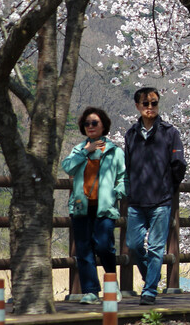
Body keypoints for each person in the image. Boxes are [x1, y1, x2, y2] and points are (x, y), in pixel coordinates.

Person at [124, 87, 186, 305]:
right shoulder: (131, 134)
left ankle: (149, 290)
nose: (150, 107)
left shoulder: (170, 133)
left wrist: (169, 186)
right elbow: (128, 165)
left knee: (157, 247)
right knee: (133, 244)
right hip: (136, 200)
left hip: (161, 200)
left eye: (154, 103)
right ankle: (152, 275)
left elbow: (179, 165)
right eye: (145, 103)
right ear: (137, 106)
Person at [62, 106, 126, 304]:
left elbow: (123, 177)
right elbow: (67, 167)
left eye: (94, 123)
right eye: (87, 123)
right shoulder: (79, 150)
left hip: (104, 207)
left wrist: (118, 192)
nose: (90, 126)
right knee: (83, 249)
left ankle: (111, 282)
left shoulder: (114, 151)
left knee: (104, 245)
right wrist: (85, 152)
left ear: (103, 125)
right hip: (81, 206)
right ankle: (90, 290)